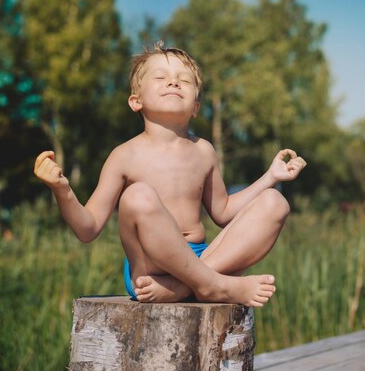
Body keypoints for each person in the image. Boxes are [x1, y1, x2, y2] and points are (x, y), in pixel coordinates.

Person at [33, 42, 307, 307]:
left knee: (275, 202)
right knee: (138, 195)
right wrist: (62, 190)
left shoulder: (204, 151)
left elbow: (223, 212)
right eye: (161, 77)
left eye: (184, 80)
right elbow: (88, 228)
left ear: (196, 107)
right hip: (150, 270)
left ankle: (184, 286)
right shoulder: (124, 155)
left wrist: (271, 177)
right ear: (135, 101)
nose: (174, 82)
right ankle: (213, 285)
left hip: (203, 257)